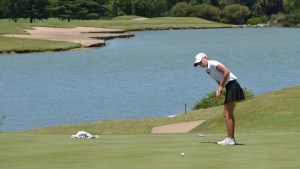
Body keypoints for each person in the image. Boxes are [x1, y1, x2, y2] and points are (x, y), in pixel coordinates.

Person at [194, 53, 245, 145]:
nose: (200, 65)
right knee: (228, 113)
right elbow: (219, 80)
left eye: (200, 62)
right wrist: (219, 90)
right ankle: (230, 138)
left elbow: (227, 72)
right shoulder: (208, 71)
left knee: (227, 113)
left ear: (205, 58)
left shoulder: (213, 63)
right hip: (229, 87)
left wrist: (221, 86)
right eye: (198, 64)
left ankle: (230, 139)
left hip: (233, 85)